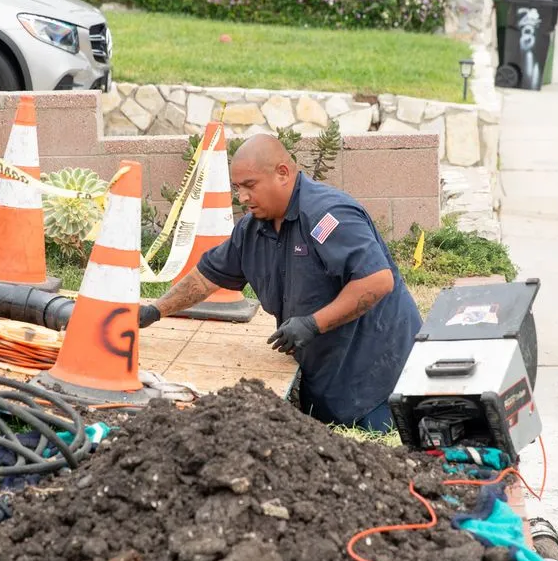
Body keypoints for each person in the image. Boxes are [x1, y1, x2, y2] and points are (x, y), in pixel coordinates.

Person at [138, 134, 423, 432]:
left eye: (250, 185)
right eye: (238, 188)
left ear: (283, 174)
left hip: (379, 382)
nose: (242, 197)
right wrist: (155, 311)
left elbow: (376, 281)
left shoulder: (326, 217)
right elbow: (205, 277)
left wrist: (313, 324)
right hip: (327, 380)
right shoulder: (252, 231)